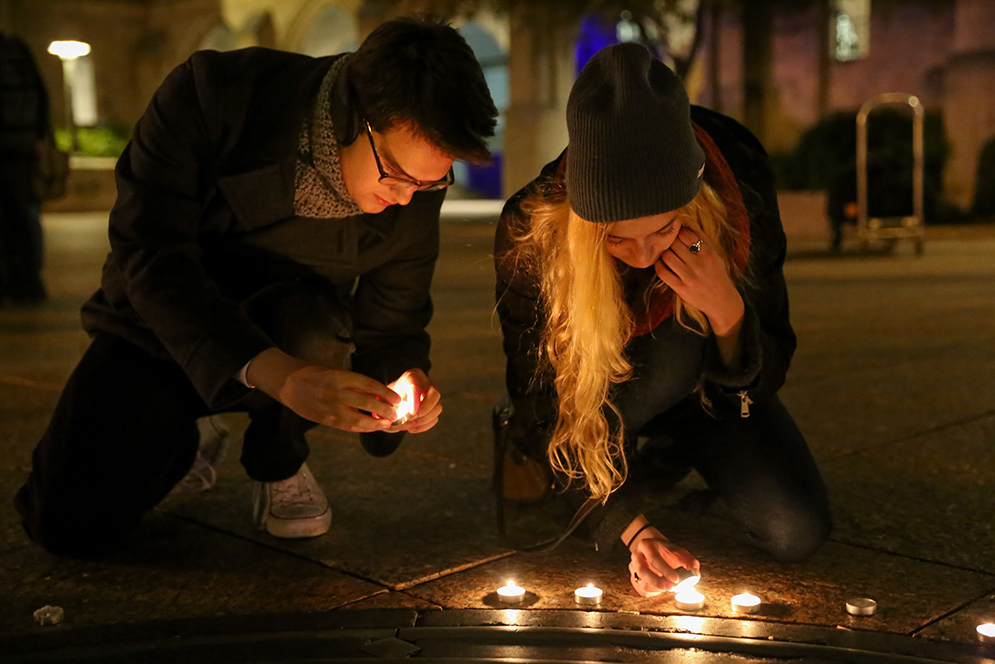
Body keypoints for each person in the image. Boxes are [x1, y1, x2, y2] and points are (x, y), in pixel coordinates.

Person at [15, 16, 498, 557]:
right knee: (67, 522)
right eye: (396, 176)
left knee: (314, 331)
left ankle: (278, 458)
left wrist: (403, 387)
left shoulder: (412, 189)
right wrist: (279, 376)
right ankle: (194, 431)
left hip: (299, 330)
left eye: (432, 182)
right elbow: (149, 254)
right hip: (161, 328)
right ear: (351, 117)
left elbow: (394, 322)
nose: (409, 198)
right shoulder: (215, 95)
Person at [495, 43, 831, 597]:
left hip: (709, 392)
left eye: (663, 229)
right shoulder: (533, 229)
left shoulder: (736, 173)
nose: (644, 254)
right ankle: (616, 466)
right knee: (643, 384)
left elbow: (772, 363)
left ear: (694, 198)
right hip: (598, 401)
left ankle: (672, 450)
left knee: (795, 529)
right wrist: (632, 528)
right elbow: (542, 403)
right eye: (616, 239)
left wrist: (727, 312)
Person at [0, 31, 51, 305]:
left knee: (22, 219)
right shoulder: (17, 48)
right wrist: (39, 137)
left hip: (18, 149)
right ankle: (27, 284)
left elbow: (39, 96)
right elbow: (41, 95)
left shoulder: (16, 50)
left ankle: (21, 283)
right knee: (25, 219)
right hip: (23, 146)